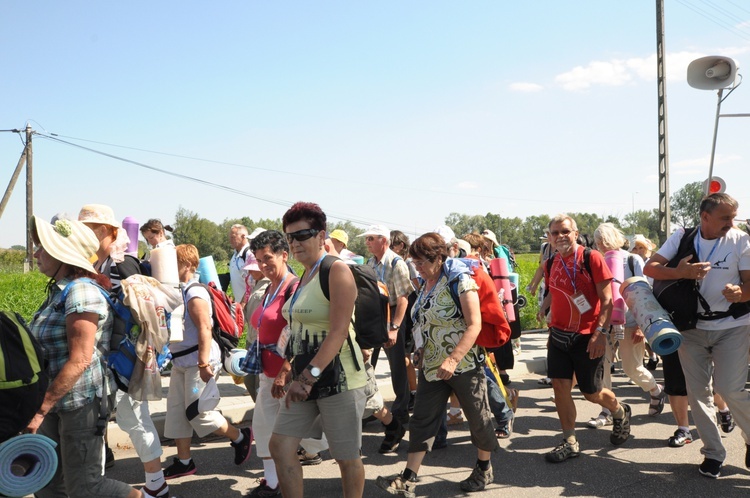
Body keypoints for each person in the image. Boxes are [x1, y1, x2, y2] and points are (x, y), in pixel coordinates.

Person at [26, 215, 142, 498]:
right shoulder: (59, 291)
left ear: (62, 255)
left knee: (87, 487)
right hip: (55, 400)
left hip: (81, 403)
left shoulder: (81, 293)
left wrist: (41, 409)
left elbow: (80, 359)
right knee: (49, 483)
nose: (36, 253)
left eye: (43, 248)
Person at [376, 232, 499, 496]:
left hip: (463, 365)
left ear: (438, 258)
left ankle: (484, 468)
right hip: (432, 367)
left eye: (420, 262)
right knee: (421, 420)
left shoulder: (461, 281)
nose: (416, 267)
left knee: (478, 418)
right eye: (415, 262)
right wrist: (420, 351)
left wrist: (453, 359)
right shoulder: (425, 284)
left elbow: (474, 324)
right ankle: (408, 477)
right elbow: (424, 323)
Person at [644, 193, 750, 478]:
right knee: (698, 394)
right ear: (705, 217)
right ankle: (713, 454)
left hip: (732, 327)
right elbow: (649, 268)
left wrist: (741, 293)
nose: (732, 222)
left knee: (729, 389)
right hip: (689, 327)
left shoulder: (741, 240)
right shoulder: (682, 236)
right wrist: (679, 271)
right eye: (726, 217)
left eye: (734, 216)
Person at [269, 202, 367, 498]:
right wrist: (288, 369)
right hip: (303, 380)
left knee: (346, 457)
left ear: (321, 234)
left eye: (302, 235)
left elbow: (337, 332)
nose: (294, 243)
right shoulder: (305, 275)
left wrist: (308, 377)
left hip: (338, 380)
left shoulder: (335, 270)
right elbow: (296, 330)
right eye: (289, 237)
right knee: (280, 445)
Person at [543, 214, 631, 463]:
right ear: (549, 237)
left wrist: (601, 333)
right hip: (559, 335)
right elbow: (555, 289)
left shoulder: (591, 258)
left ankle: (619, 410)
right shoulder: (552, 262)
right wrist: (544, 308)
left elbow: (607, 300)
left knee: (591, 393)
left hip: (588, 336)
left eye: (565, 232)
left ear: (575, 233)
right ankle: (570, 441)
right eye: (555, 233)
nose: (560, 237)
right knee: (560, 388)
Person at [164, 244, 252, 479]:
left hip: (198, 362)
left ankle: (241, 437)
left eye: (176, 263)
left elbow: (205, 327)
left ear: (190, 266)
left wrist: (204, 364)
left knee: (199, 412)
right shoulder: (179, 290)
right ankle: (184, 462)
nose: (171, 267)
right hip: (182, 362)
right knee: (176, 413)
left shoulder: (195, 292)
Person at [586, 223, 665, 429]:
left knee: (632, 368)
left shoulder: (632, 259)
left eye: (603, 239)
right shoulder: (600, 260)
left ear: (613, 238)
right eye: (597, 241)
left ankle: (656, 390)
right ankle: (607, 410)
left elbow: (644, 292)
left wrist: (642, 325)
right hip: (606, 325)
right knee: (602, 369)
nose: (600, 244)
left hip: (631, 322)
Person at [361, 225, 414, 426]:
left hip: (392, 317)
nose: (367, 242)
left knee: (398, 368)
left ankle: (400, 414)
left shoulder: (397, 263)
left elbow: (402, 299)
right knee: (367, 364)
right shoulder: (370, 263)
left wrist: (395, 328)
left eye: (371, 238)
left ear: (384, 240)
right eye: (367, 239)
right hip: (376, 317)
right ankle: (370, 410)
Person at [227, 224, 251, 303]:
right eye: (230, 237)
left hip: (248, 305)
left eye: (233, 237)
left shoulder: (249, 255)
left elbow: (253, 284)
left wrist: (243, 304)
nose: (230, 240)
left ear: (243, 236)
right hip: (239, 304)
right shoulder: (235, 255)